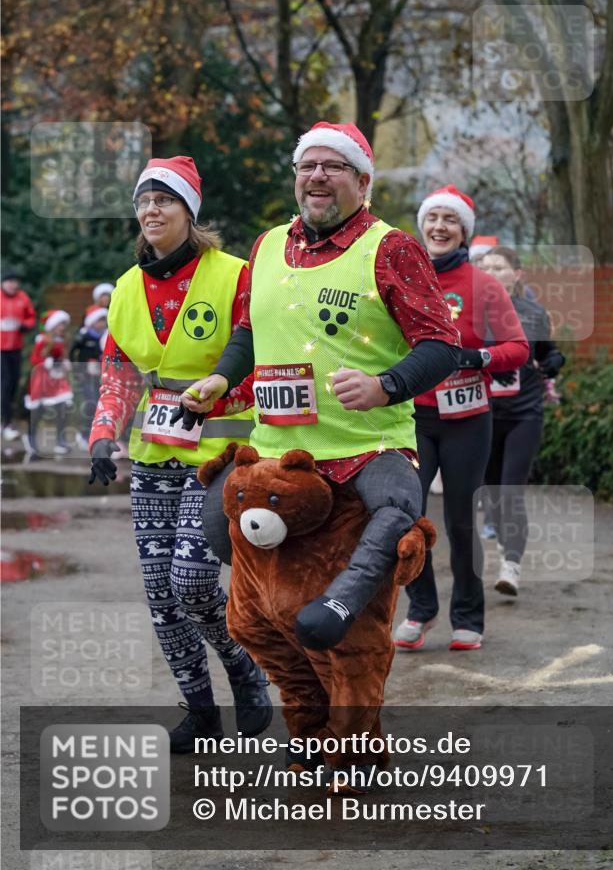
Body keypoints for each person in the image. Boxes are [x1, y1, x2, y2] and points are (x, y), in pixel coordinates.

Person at [180, 122, 462, 651]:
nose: (317, 176)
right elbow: (249, 331)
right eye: (307, 166)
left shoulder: (392, 248)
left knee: (398, 507)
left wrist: (385, 385)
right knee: (217, 523)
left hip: (366, 446)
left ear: (362, 181)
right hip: (276, 449)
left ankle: (339, 606)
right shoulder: (266, 245)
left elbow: (443, 345)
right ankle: (286, 625)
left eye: (333, 166)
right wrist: (221, 377)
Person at [87, 155, 271, 752]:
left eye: (164, 199)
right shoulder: (125, 289)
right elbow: (119, 373)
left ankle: (243, 667)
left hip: (222, 454)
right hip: (154, 455)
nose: (151, 210)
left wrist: (218, 395)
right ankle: (199, 710)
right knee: (161, 596)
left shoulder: (236, 275)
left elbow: (261, 359)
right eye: (143, 201)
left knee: (191, 579)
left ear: (189, 211)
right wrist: (102, 435)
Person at [393, 186, 529, 652]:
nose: (440, 227)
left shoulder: (484, 284)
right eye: (433, 218)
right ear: (422, 226)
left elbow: (518, 348)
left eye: (450, 220)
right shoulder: (401, 278)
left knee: (461, 521)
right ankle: (421, 607)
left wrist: (479, 356)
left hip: (467, 419)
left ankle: (468, 615)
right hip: (412, 417)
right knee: (405, 514)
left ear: (464, 231)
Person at [481, 246, 566, 596]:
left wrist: (555, 361)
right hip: (482, 414)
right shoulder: (467, 312)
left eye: (498, 267)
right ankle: (507, 543)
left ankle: (511, 565)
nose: (490, 273)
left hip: (524, 413)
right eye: (484, 267)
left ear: (517, 275)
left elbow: (550, 352)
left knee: (511, 490)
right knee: (492, 494)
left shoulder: (533, 313)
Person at [24, 309, 73, 455]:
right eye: (59, 324)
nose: (62, 327)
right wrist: (47, 362)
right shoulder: (42, 341)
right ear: (52, 326)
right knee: (38, 411)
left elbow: (63, 358)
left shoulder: (62, 342)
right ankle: (31, 437)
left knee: (62, 408)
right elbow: (34, 360)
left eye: (63, 325)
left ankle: (60, 440)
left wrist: (65, 363)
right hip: (42, 380)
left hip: (57, 379)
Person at [1, 270, 36, 441]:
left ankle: (7, 420)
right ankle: (6, 423)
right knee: (6, 383)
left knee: (14, 383)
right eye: (10, 281)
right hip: (1, 348)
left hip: (16, 347)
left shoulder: (23, 297)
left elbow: (31, 318)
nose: (13, 285)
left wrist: (23, 325)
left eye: (15, 282)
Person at [70, 306, 108, 445]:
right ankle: (84, 433)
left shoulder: (105, 337)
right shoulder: (83, 337)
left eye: (104, 320)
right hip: (85, 376)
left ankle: (96, 433)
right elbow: (73, 354)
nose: (102, 323)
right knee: (90, 402)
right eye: (99, 320)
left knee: (99, 403)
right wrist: (77, 370)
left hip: (100, 376)